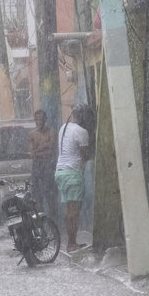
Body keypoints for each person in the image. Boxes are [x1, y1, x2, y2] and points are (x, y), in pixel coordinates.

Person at [54, 104, 91, 253]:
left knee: (69, 209)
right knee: (74, 211)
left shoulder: (63, 128)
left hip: (60, 172)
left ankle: (71, 242)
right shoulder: (82, 132)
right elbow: (84, 154)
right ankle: (71, 244)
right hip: (73, 174)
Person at [28, 109, 58, 221]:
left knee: (50, 195)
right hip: (37, 166)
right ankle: (40, 221)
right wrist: (43, 148)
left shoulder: (51, 131)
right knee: (37, 196)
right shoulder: (32, 134)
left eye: (41, 119)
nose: (39, 121)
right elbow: (31, 153)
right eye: (37, 119)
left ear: (45, 120)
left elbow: (52, 149)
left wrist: (37, 150)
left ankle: (53, 221)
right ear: (34, 120)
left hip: (49, 165)